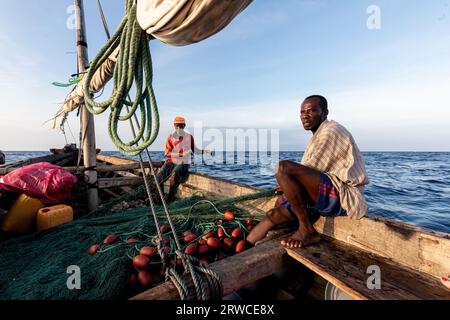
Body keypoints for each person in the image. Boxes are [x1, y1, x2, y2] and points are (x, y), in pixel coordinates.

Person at [247, 95, 369, 248]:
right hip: (322, 194)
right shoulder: (317, 136)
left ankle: (307, 229)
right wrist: (287, 186)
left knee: (282, 168)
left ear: (325, 112)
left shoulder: (331, 130)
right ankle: (241, 249)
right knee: (274, 212)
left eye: (311, 111)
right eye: (302, 112)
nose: (305, 115)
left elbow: (309, 169)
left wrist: (288, 182)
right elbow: (306, 173)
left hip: (342, 195)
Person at [157, 117, 211, 201]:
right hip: (171, 161)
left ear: (184, 126)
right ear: (174, 126)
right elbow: (167, 153)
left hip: (183, 163)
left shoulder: (189, 137)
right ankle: (159, 199)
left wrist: (205, 151)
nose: (179, 128)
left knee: (174, 175)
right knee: (159, 177)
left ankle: (169, 199)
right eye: (177, 126)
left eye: (181, 126)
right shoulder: (170, 137)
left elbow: (195, 150)